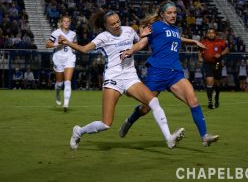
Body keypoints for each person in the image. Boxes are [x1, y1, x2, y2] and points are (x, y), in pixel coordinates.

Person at [59, 10, 184, 149]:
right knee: (106, 124)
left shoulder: (129, 31)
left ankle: (169, 138)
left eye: (118, 21)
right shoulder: (103, 37)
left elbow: (142, 42)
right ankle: (78, 131)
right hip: (113, 79)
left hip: (130, 76)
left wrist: (142, 35)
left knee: (153, 101)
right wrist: (67, 42)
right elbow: (84, 49)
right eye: (113, 24)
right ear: (106, 26)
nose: (117, 25)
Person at [119, 1, 219, 147]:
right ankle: (130, 120)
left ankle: (204, 136)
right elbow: (143, 41)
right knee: (145, 108)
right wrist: (130, 50)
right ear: (162, 15)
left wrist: (193, 41)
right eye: (169, 13)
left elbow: (177, 38)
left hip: (175, 72)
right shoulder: (156, 26)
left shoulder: (176, 30)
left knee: (194, 101)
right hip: (157, 71)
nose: (173, 15)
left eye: (175, 13)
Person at [46, 15, 77, 112]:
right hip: (58, 58)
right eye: (65, 21)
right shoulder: (56, 33)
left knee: (68, 81)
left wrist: (72, 46)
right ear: (61, 22)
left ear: (70, 22)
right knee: (59, 83)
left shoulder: (73, 34)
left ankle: (66, 104)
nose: (66, 23)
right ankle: (57, 94)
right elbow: (47, 44)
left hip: (69, 58)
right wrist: (58, 43)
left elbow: (75, 45)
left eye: (68, 21)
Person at [198, 28, 229, 109]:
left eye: (212, 33)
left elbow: (227, 49)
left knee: (218, 83)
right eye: (209, 33)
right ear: (206, 34)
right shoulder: (203, 42)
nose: (210, 34)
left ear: (215, 34)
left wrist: (220, 54)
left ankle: (217, 97)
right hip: (207, 64)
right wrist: (200, 58)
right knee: (209, 81)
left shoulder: (220, 42)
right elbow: (200, 51)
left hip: (217, 63)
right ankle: (210, 101)